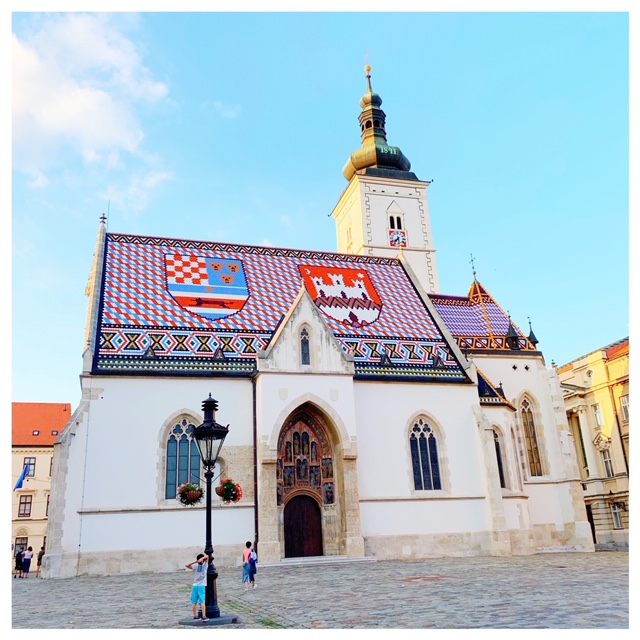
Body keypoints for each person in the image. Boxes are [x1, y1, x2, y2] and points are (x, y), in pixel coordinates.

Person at [185, 553, 209, 621]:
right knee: (202, 601)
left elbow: (187, 565)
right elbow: (207, 556)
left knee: (194, 601)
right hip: (201, 586)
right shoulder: (205, 566)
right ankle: (204, 616)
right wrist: (200, 560)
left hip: (195, 586)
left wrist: (195, 561)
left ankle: (195, 616)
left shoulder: (196, 567)